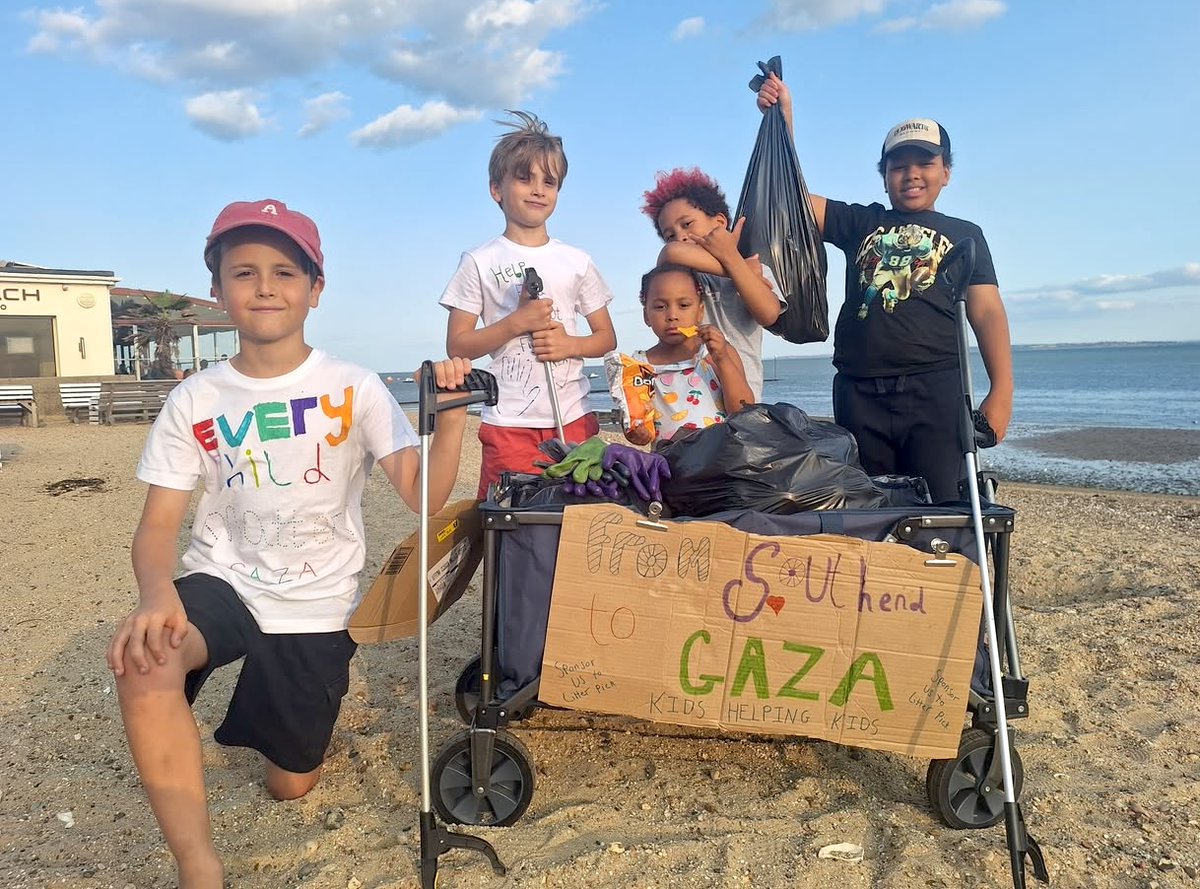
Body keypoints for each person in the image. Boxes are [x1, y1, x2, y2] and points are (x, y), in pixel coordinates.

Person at [106, 197, 477, 889]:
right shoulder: (196, 397)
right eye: (243, 271)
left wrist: (449, 417)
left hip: (316, 604)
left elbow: (424, 499)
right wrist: (156, 595)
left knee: (291, 783)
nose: (265, 285)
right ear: (217, 287)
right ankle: (199, 866)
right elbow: (157, 526)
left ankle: (282, 734)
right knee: (143, 657)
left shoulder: (356, 387)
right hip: (223, 582)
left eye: (284, 271)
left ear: (315, 289)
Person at [757, 75, 1013, 502]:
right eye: (898, 166)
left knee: (945, 506)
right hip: (859, 391)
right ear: (884, 176)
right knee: (867, 505)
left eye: (925, 163)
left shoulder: (967, 234)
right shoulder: (862, 222)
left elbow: (987, 313)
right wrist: (783, 122)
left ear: (946, 172)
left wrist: (1001, 391)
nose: (911, 175)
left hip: (936, 390)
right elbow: (788, 197)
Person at [441, 110, 616, 499]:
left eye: (549, 182)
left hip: (573, 416)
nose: (538, 189)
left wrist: (571, 345)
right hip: (508, 421)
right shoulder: (479, 260)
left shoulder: (577, 261)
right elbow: (458, 345)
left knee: (576, 519)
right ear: (496, 189)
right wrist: (516, 322)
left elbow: (605, 337)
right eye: (524, 178)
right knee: (509, 517)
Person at [641, 167, 787, 401]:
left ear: (719, 222)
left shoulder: (755, 269)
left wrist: (734, 261)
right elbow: (671, 252)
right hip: (690, 395)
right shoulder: (681, 277)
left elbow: (769, 314)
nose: (680, 236)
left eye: (687, 224)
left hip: (740, 396)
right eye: (670, 233)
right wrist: (736, 268)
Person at [608, 263, 753, 446]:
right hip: (669, 467)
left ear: (700, 312)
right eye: (660, 307)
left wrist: (722, 359)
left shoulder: (716, 352)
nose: (672, 315)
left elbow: (743, 410)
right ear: (646, 316)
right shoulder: (640, 366)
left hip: (719, 463)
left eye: (683, 305)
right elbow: (636, 424)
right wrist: (638, 432)